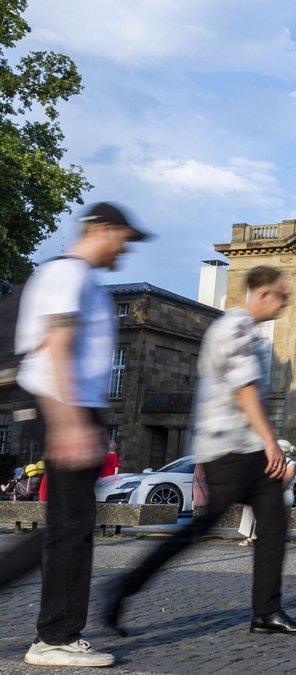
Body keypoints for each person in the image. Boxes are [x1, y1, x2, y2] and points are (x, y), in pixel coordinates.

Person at [103, 266, 296, 637]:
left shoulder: (244, 332)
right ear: (263, 294)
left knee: (273, 524)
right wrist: (271, 442)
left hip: (243, 448)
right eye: (282, 296)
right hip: (229, 450)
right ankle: (124, 586)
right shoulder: (234, 329)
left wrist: (266, 444)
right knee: (200, 528)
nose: (284, 305)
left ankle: (266, 612)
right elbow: (244, 389)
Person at [0, 202, 149, 667]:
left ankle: (59, 632)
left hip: (73, 408)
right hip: (64, 408)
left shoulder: (77, 278)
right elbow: (57, 344)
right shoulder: (68, 275)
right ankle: (55, 638)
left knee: (68, 524)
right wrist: (68, 422)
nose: (125, 249)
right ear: (102, 229)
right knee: (71, 527)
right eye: (124, 237)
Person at [239, 439, 296, 546]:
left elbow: (283, 483)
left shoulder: (291, 465)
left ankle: (262, 537)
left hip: (284, 493)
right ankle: (250, 535)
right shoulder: (271, 461)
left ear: (283, 452)